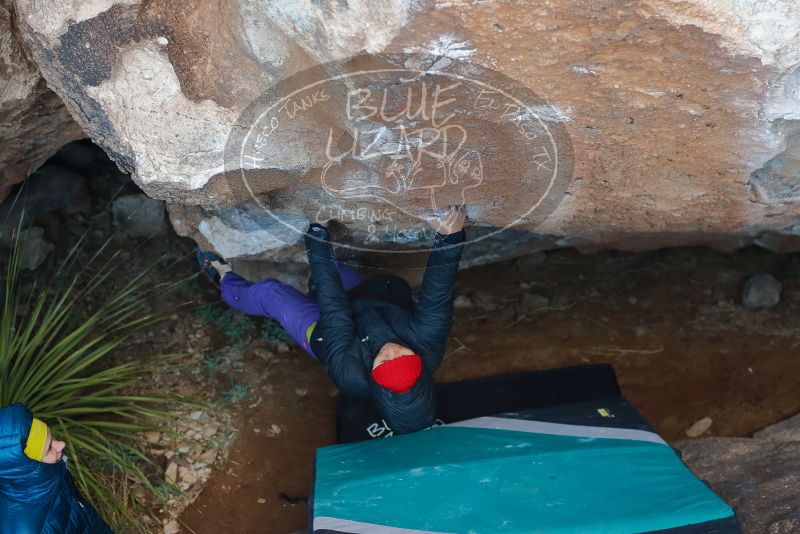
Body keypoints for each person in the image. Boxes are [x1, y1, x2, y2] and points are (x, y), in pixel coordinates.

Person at [198, 206, 466, 434]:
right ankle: (312, 280)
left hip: (326, 332)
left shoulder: (350, 374)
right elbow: (437, 294)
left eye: (384, 361)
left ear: (374, 377)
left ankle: (223, 278)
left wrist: (317, 231)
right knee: (332, 271)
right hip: (369, 304)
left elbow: (333, 308)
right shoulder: (428, 344)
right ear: (419, 363)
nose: (391, 350)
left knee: (271, 294)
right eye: (403, 356)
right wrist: (449, 237)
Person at [0, 403, 112, 533]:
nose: (61, 444)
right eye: (48, 448)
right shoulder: (25, 529)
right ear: (28, 467)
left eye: (52, 437)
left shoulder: (49, 474)